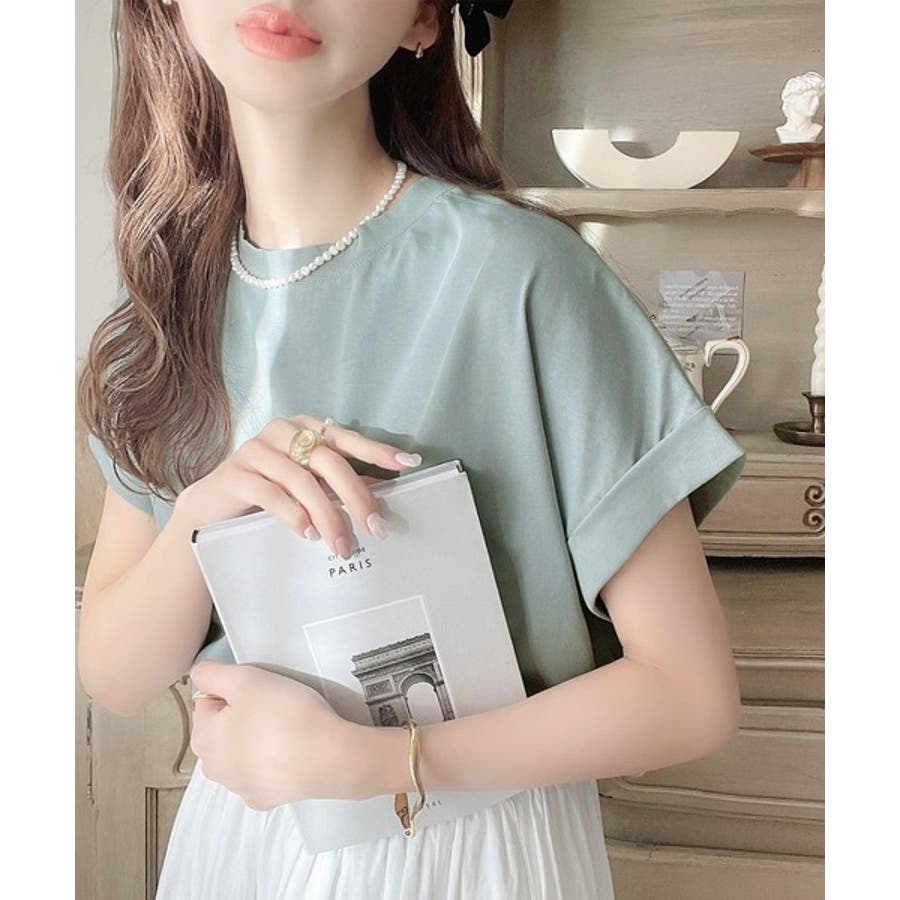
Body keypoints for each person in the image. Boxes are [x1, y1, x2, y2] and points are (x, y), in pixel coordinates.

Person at [76, 1, 748, 897]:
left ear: (425, 19)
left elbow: (690, 696)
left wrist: (379, 762)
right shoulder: (160, 316)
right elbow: (115, 675)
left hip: (479, 851)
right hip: (245, 843)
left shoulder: (525, 277)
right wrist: (204, 513)